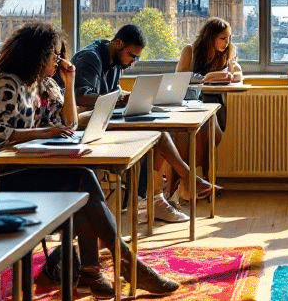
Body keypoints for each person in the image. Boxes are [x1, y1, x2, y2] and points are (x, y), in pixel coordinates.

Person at [0, 21, 178, 298]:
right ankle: (126, 264)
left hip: (31, 167)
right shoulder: (7, 84)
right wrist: (44, 131)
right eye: (53, 55)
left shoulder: (44, 85)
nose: (58, 60)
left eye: (59, 54)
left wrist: (69, 85)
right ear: (36, 54)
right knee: (81, 179)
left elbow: (68, 123)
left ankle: (92, 272)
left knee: (82, 185)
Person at [73, 24, 197, 223]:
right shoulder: (91, 58)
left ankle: (155, 197)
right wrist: (119, 99)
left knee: (158, 129)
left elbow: (111, 94)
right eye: (132, 56)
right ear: (118, 43)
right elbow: (80, 98)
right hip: (82, 122)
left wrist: (125, 98)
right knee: (154, 132)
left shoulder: (115, 62)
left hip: (103, 117)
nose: (132, 63)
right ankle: (172, 185)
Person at [174, 17, 242, 200]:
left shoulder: (228, 53)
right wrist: (206, 78)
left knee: (211, 131)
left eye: (228, 38)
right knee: (195, 133)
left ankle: (199, 180)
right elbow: (180, 77)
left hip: (215, 105)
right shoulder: (190, 51)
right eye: (222, 38)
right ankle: (190, 181)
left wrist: (232, 73)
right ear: (210, 37)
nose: (226, 42)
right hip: (190, 104)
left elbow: (238, 74)